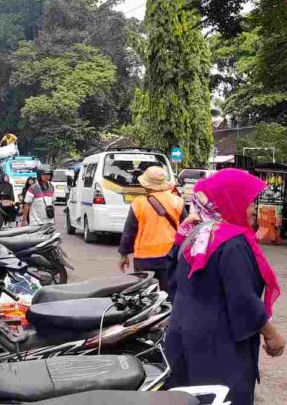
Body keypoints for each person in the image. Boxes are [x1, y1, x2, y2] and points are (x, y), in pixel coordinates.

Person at [164, 169, 284, 405]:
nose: (253, 210)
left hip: (183, 336)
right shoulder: (233, 243)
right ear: (231, 201)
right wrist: (272, 335)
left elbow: (173, 282)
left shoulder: (195, 233)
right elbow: (244, 302)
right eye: (248, 202)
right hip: (219, 345)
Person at [118, 166, 185, 291]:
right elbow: (186, 230)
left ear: (146, 185)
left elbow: (129, 232)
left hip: (144, 259)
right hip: (169, 257)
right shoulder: (177, 202)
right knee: (169, 296)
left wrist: (124, 254)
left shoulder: (139, 204)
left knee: (146, 296)